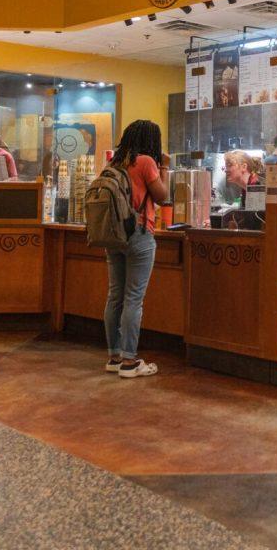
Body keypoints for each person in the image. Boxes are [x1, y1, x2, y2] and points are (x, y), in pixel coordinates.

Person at [104, 119, 170, 379]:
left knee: (115, 296)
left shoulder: (113, 163)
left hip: (113, 235)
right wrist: (164, 165)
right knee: (134, 298)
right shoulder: (146, 162)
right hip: (139, 234)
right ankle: (130, 362)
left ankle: (114, 356)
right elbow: (162, 196)